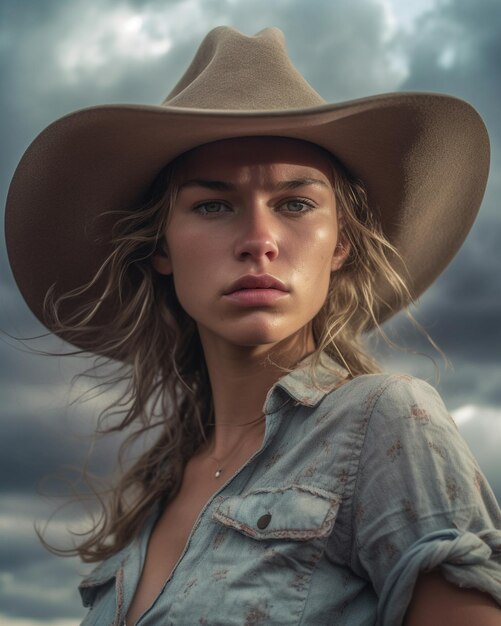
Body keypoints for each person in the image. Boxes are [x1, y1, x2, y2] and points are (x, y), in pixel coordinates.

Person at [5, 26, 501, 626]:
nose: (259, 241)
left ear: (342, 242)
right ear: (161, 245)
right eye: (213, 205)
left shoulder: (385, 423)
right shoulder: (157, 496)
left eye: (295, 204)